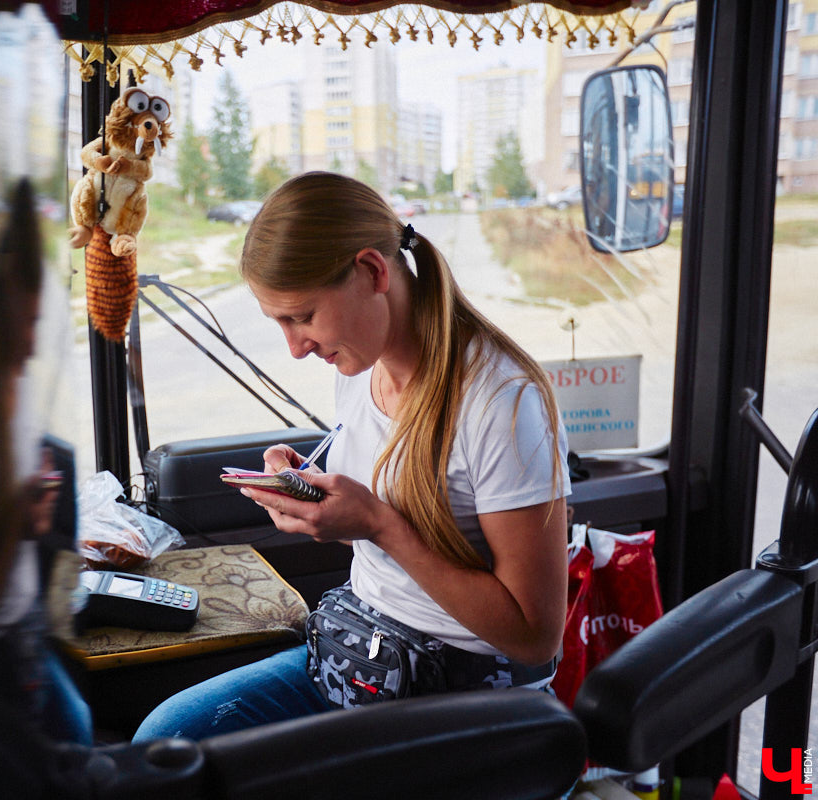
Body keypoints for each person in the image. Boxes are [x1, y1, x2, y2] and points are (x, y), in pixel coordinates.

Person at [132, 172, 569, 742]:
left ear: (371, 271)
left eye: (303, 316)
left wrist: (380, 527)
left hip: (463, 699)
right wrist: (317, 501)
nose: (295, 348)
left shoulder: (502, 405)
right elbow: (386, 516)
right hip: (361, 656)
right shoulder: (360, 371)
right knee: (165, 741)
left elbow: (535, 637)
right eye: (280, 323)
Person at [0, 179, 92, 745]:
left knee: (75, 728)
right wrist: (18, 523)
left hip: (27, 618)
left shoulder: (18, 382)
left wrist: (31, 517)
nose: (36, 343)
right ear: (3, 296)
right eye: (30, 323)